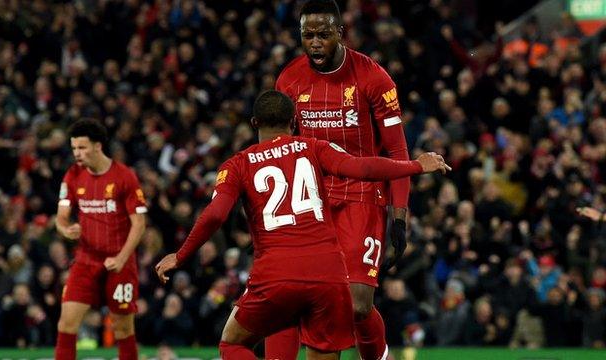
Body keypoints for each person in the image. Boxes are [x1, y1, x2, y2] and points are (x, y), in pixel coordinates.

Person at [155, 90, 450, 360]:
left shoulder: (237, 164)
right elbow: (361, 167)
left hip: (276, 274)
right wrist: (416, 165)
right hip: (328, 274)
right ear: (294, 121)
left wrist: (179, 256)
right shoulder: (313, 147)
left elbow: (216, 215)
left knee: (232, 343)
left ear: (255, 122)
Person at [272, 1, 411, 358]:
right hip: (313, 199)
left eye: (323, 34)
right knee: (311, 299)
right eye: (308, 35)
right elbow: (281, 151)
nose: (315, 42)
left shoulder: (373, 78)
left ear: (340, 33)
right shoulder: (289, 79)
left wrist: (399, 218)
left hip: (362, 194)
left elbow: (397, 154)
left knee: (358, 305)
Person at [54, 119, 147, 360]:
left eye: (82, 148)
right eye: (74, 148)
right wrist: (66, 229)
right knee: (66, 324)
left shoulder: (124, 176)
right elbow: (61, 217)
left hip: (120, 262)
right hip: (85, 260)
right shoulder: (72, 175)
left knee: (123, 328)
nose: (77, 153)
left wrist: (121, 258)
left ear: (98, 146)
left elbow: (139, 224)